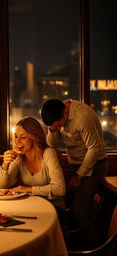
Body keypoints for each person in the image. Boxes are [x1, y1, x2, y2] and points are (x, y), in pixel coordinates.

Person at [41, 99, 107, 247]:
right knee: (61, 203)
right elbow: (54, 144)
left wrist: (79, 176)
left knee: (79, 211)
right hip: (74, 163)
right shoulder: (57, 115)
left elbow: (94, 149)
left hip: (95, 164)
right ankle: (71, 245)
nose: (57, 127)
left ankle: (96, 248)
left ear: (65, 113)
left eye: (58, 124)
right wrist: (52, 130)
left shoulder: (82, 117)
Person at [0, 117, 66, 208]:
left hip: (53, 207)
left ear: (35, 138)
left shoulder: (48, 153)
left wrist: (28, 189)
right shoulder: (18, 156)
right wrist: (5, 165)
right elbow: (2, 186)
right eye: (16, 136)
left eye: (23, 137)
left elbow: (60, 189)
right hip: (30, 206)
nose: (17, 141)